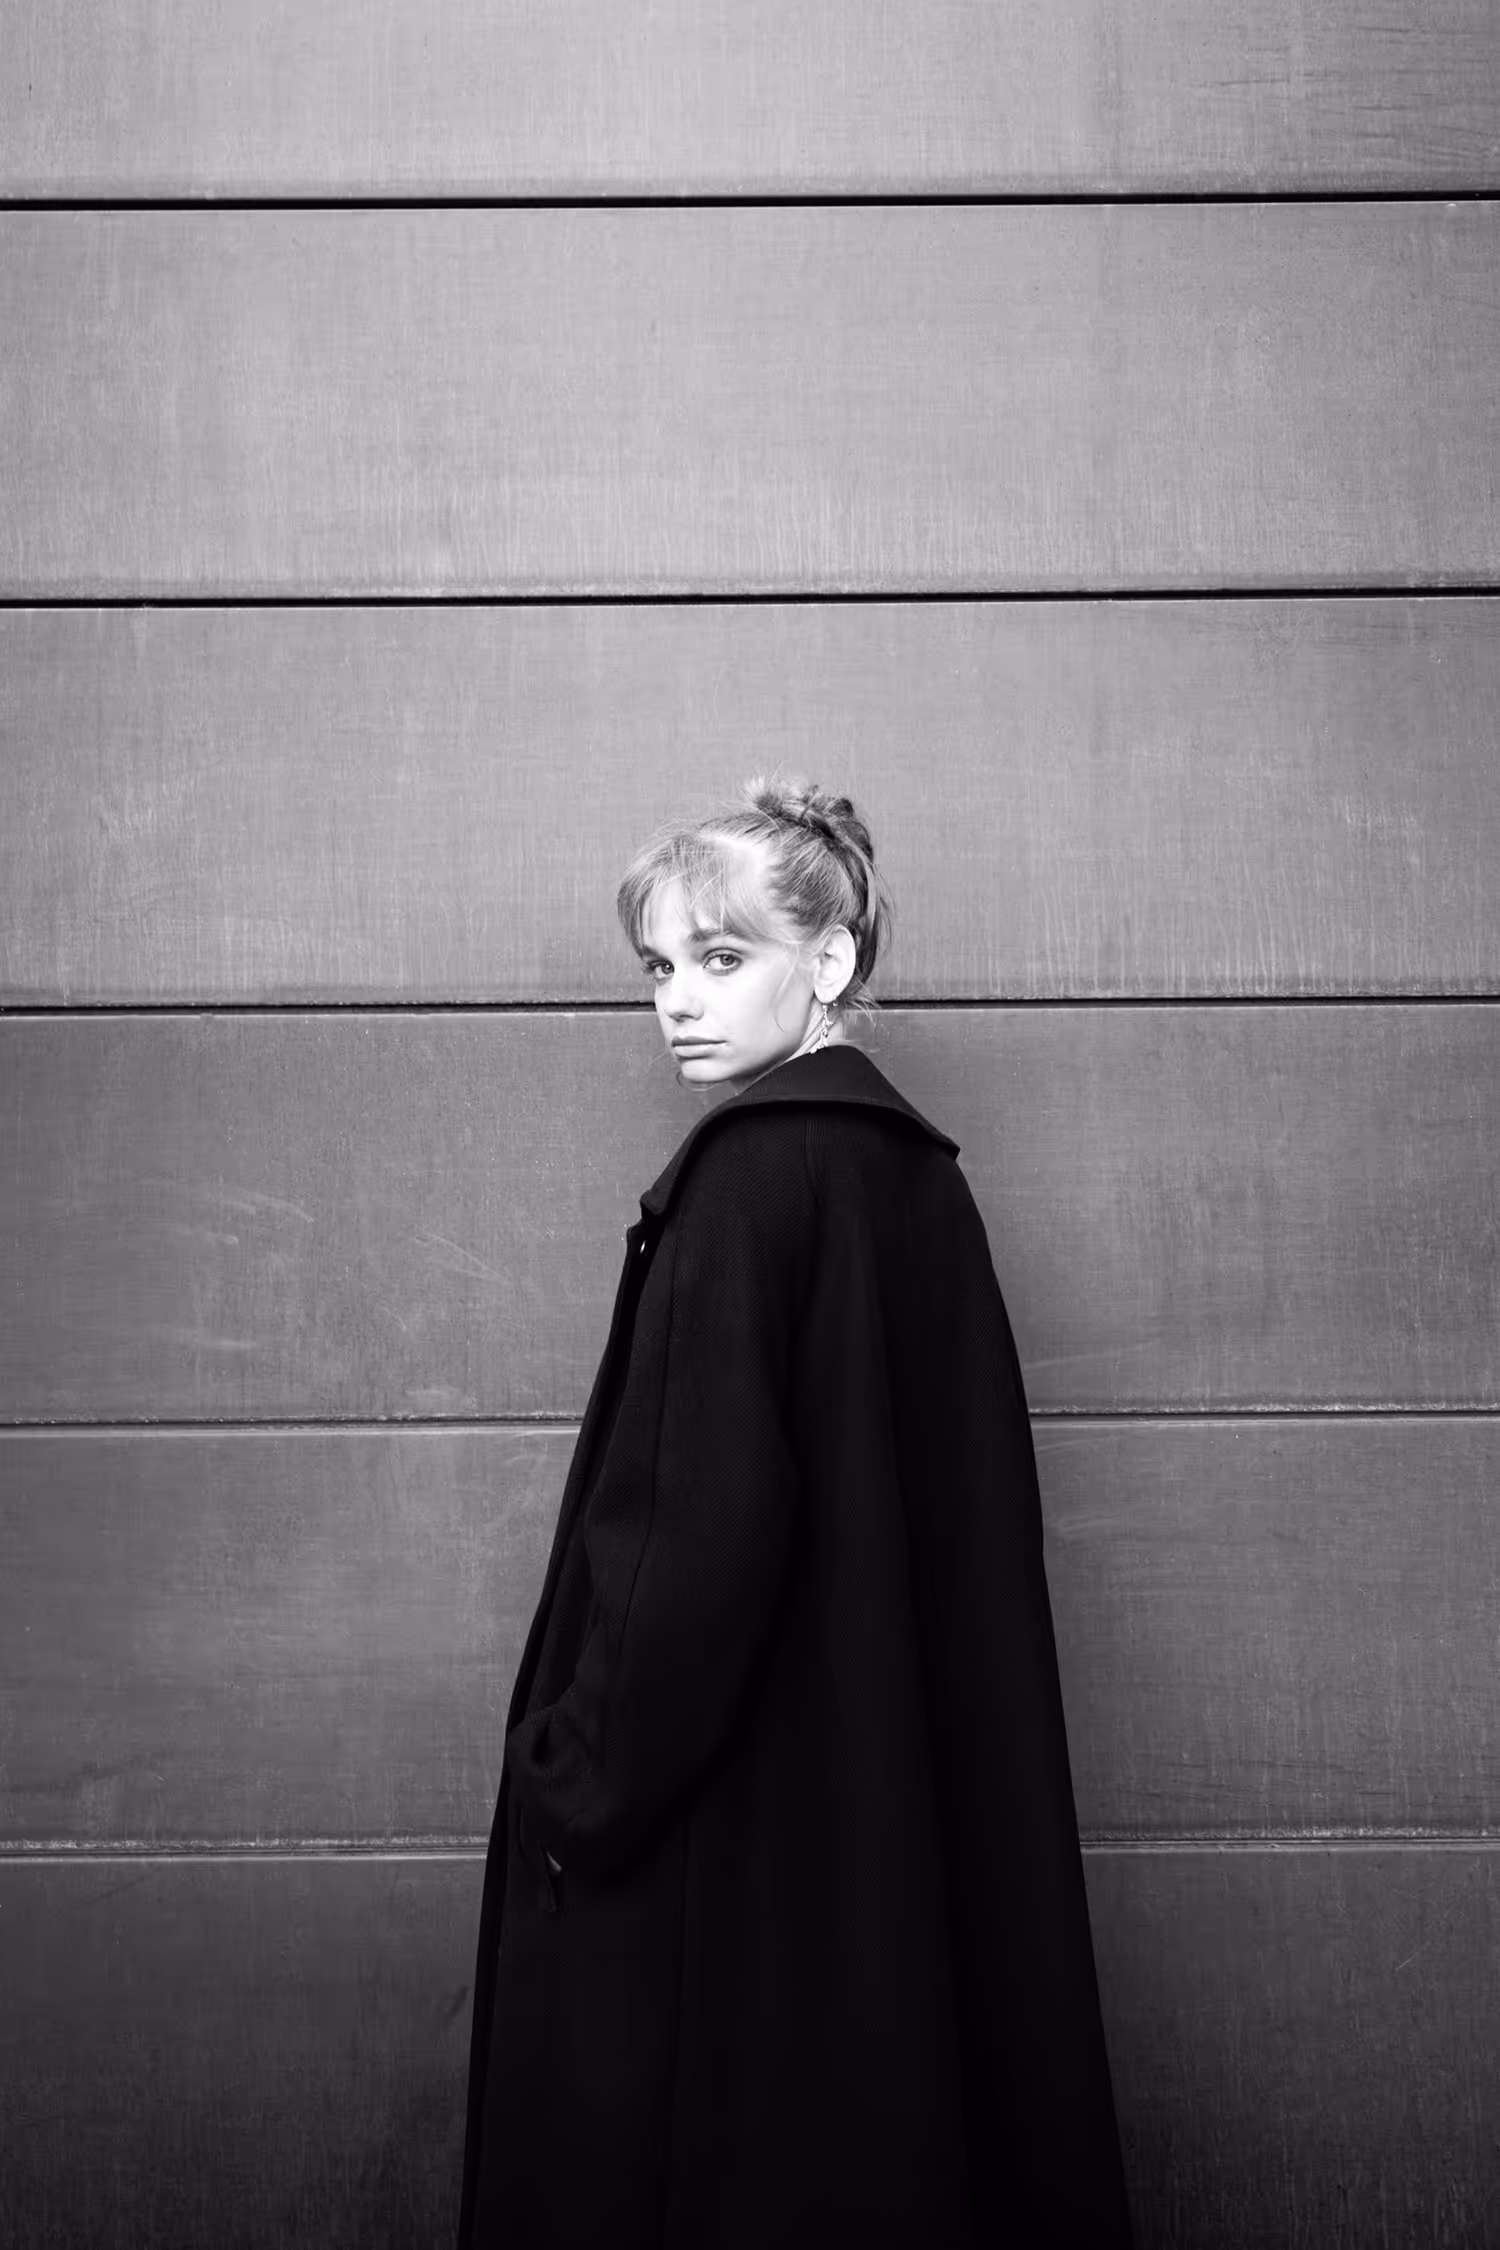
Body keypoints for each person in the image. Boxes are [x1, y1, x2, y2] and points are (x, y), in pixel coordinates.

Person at [457, 775, 1133, 2247]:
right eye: (658, 966)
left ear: (829, 960)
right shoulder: (919, 1187)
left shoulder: (749, 1184)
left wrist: (576, 1781)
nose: (678, 1003)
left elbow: (691, 1540)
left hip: (736, 1840)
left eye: (721, 957)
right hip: (880, 1819)